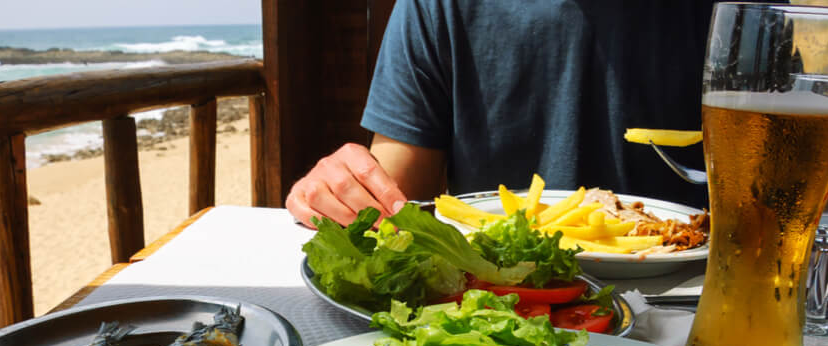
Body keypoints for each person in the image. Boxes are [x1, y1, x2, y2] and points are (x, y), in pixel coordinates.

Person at [286, 0, 718, 227]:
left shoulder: (737, 11)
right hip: (501, 307)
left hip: (688, 310)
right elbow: (395, 197)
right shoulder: (437, 5)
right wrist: (342, 190)